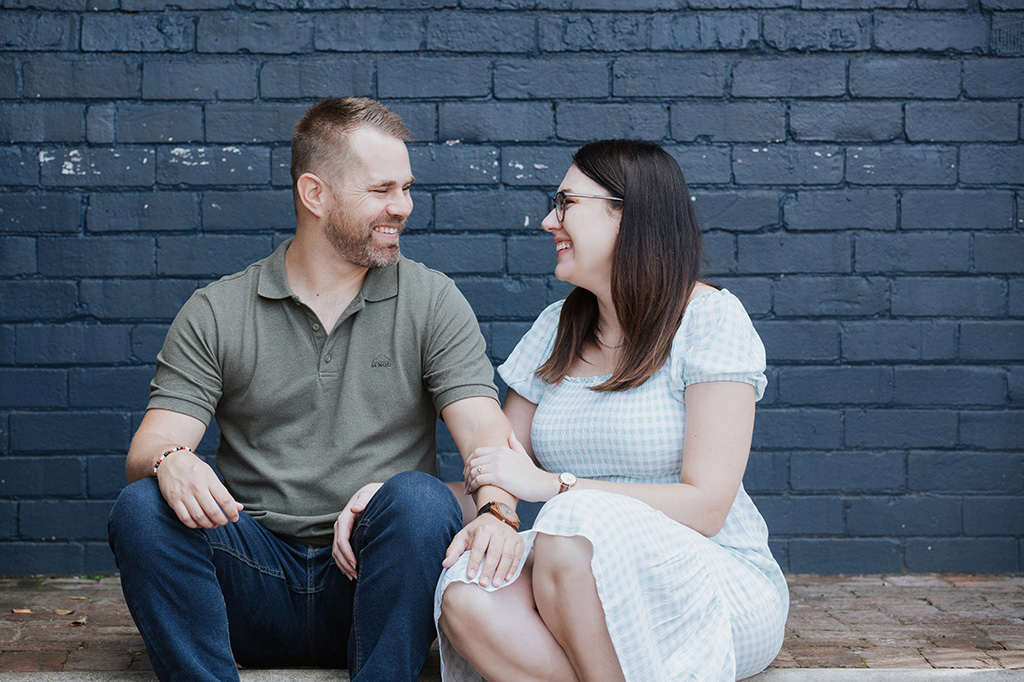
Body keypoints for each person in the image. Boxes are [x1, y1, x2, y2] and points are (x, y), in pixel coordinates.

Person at [107, 97, 525, 682]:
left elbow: (485, 430)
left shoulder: (430, 300)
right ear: (315, 194)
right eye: (382, 190)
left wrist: (496, 512)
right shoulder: (219, 310)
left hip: (372, 583)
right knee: (143, 507)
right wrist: (170, 460)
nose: (401, 207)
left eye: (406, 188)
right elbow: (149, 446)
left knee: (421, 501)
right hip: (249, 577)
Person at [435, 139, 789, 682]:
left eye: (567, 202)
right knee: (466, 595)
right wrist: (398, 497)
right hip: (575, 571)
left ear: (629, 216)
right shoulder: (555, 328)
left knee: (573, 521)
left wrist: (557, 487)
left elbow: (708, 507)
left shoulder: (710, 321)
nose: (549, 221)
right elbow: (503, 469)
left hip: (711, 577)